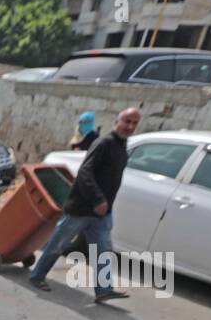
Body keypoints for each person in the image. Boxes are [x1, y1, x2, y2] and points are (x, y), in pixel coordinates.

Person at [29, 106, 141, 303]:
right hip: (82, 208)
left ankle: (103, 289)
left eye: (134, 123)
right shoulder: (104, 142)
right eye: (127, 121)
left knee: (103, 251)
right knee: (59, 243)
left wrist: (105, 205)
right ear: (117, 121)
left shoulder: (121, 147)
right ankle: (37, 275)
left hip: (102, 213)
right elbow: (85, 172)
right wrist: (98, 199)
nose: (130, 126)